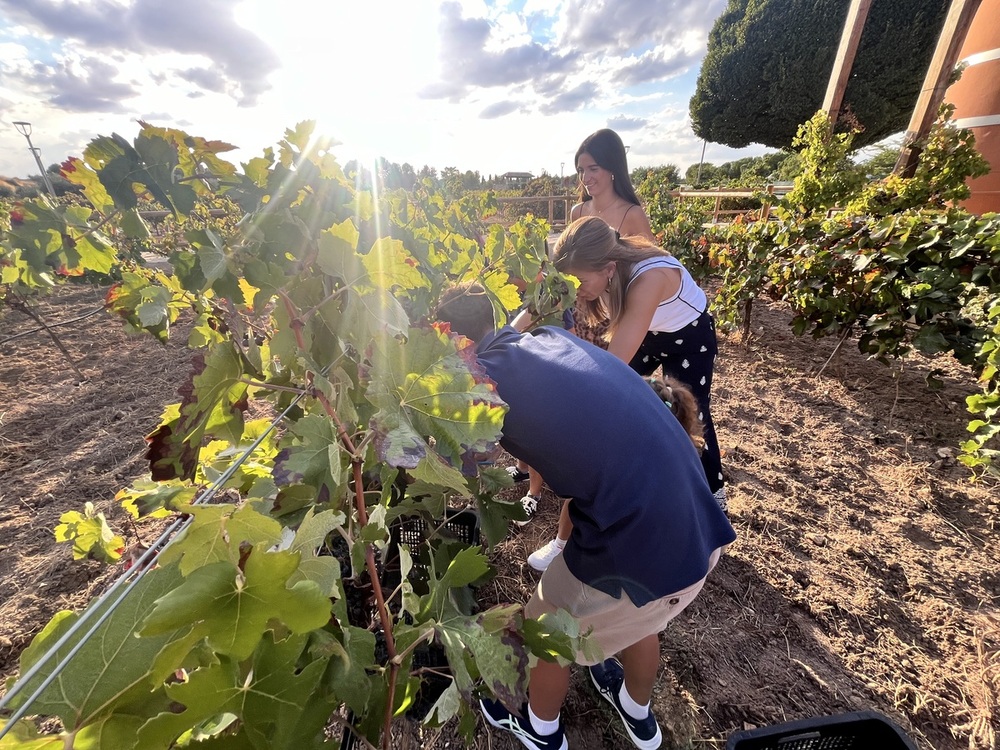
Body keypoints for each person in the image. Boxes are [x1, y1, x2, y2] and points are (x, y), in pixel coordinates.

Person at [435, 283, 736, 750]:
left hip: (640, 554)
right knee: (642, 619)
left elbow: (455, 462)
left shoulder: (480, 395)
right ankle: (636, 712)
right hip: (698, 532)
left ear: (449, 340)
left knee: (544, 629)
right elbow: (502, 341)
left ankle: (540, 730)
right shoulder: (549, 340)